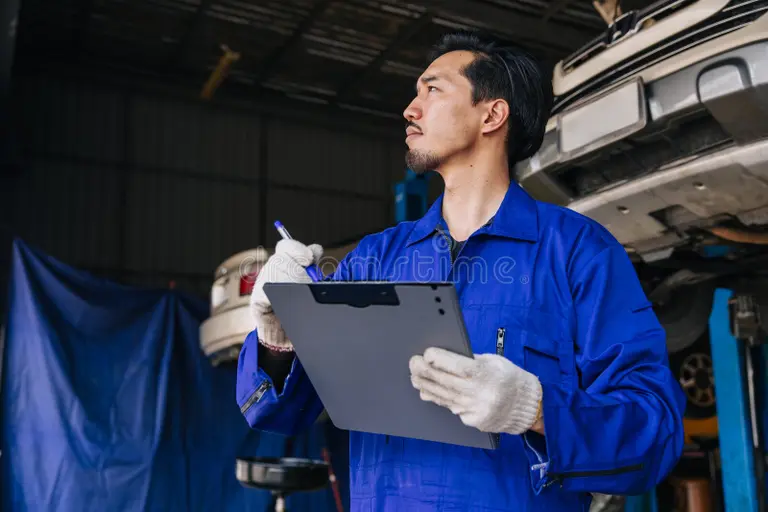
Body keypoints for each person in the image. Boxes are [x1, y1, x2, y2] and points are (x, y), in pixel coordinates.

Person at [237, 30, 686, 511]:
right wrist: (277, 335)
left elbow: (654, 433)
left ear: (492, 114)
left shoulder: (577, 252)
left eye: (432, 90)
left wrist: (534, 409)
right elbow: (280, 413)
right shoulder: (375, 259)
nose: (410, 110)